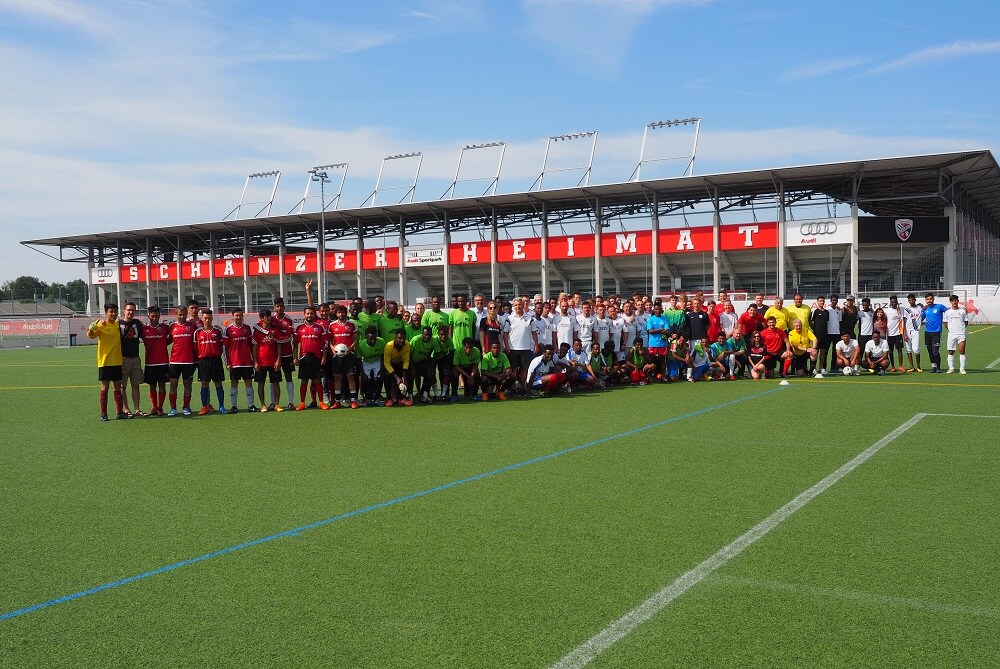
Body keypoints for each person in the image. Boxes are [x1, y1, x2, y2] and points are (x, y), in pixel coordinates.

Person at [87, 303, 126, 421]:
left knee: (117, 387)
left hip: (117, 361)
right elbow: (90, 336)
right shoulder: (100, 325)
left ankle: (119, 412)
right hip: (105, 361)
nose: (113, 314)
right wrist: (92, 328)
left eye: (115, 311)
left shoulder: (118, 325)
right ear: (106, 313)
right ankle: (103, 413)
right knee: (105, 387)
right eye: (111, 311)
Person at [294, 305, 329, 410]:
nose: (309, 315)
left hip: (316, 357)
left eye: (311, 313)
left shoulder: (320, 328)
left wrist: (324, 357)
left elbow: (325, 344)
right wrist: (295, 358)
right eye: (307, 313)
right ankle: (302, 403)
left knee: (317, 380)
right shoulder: (299, 328)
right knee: (304, 381)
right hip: (304, 357)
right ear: (304, 315)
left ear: (314, 315)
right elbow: (295, 345)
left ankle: (321, 402)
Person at [194, 308, 227, 415]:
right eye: (205, 318)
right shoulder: (197, 332)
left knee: (218, 383)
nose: (207, 320)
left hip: (216, 360)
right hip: (203, 361)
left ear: (212, 318)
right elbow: (195, 348)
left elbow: (222, 347)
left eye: (209, 318)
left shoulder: (218, 331)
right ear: (202, 319)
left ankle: (221, 406)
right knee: (204, 384)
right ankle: (205, 407)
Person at [223, 307, 256, 413]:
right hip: (234, 363)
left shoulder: (247, 328)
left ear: (242, 316)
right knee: (234, 384)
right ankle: (234, 406)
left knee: (249, 384)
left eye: (240, 315)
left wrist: (254, 360)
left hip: (247, 362)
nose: (238, 317)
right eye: (236, 315)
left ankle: (251, 405)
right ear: (232, 317)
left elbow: (251, 346)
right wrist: (228, 362)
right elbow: (225, 348)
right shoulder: (228, 329)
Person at [168, 304, 198, 416]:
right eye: (180, 315)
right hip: (174, 361)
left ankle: (186, 407)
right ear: (176, 314)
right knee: (173, 384)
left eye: (184, 314)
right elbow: (167, 341)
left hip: (188, 361)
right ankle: (173, 408)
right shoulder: (172, 327)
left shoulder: (192, 326)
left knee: (187, 385)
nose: (182, 317)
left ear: (187, 314)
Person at [141, 305, 171, 416]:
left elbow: (172, 337)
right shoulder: (143, 329)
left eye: (157, 316)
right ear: (148, 316)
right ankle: (154, 407)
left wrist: (163, 344)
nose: (155, 318)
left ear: (159, 316)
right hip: (150, 363)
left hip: (163, 362)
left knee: (162, 386)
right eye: (152, 316)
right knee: (152, 386)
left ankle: (160, 408)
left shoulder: (165, 327)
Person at [252, 309, 284, 412]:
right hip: (261, 362)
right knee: (261, 383)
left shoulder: (275, 330)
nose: (269, 318)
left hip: (274, 362)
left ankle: (277, 404)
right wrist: (255, 362)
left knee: (276, 383)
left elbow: (279, 345)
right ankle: (263, 405)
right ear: (261, 318)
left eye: (269, 315)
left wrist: (278, 360)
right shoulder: (257, 332)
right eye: (266, 316)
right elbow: (254, 347)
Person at [327, 304, 359, 409]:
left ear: (346, 313)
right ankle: (337, 401)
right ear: (336, 314)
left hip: (349, 355)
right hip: (337, 355)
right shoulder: (332, 325)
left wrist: (350, 348)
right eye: (339, 312)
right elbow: (329, 340)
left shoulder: (352, 324)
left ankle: (353, 401)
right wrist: (332, 348)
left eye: (343, 312)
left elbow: (356, 339)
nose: (341, 314)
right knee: (337, 378)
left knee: (351, 377)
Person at [118, 301, 145, 417]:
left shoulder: (137, 323)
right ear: (124, 311)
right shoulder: (118, 324)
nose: (130, 312)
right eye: (128, 310)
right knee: (122, 386)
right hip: (123, 358)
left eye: (133, 310)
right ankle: (126, 409)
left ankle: (137, 409)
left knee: (136, 384)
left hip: (135, 358)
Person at [504, 297, 534, 395]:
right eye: (516, 305)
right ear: (514, 306)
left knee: (524, 370)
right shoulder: (509, 318)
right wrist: (507, 345)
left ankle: (522, 387)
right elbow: (505, 333)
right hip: (513, 348)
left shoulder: (530, 318)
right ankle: (512, 388)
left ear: (523, 305)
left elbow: (534, 332)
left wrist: (536, 345)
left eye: (519, 305)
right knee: (513, 370)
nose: (518, 307)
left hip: (526, 348)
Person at [271, 296, 296, 410]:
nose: (279, 308)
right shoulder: (271, 319)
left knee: (288, 377)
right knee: (273, 379)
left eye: (281, 306)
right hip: (273, 355)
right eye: (277, 306)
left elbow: (290, 337)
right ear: (274, 307)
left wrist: (278, 340)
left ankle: (291, 402)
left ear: (284, 307)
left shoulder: (289, 320)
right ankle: (273, 403)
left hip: (287, 353)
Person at [356, 326, 386, 406]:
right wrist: (362, 373)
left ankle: (377, 399)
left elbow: (382, 356)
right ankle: (367, 399)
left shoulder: (381, 341)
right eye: (370, 339)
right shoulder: (361, 344)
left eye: (374, 338)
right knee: (365, 379)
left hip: (377, 361)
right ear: (366, 336)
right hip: (366, 361)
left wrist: (381, 370)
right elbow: (359, 359)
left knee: (379, 378)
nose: (372, 341)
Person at [383, 328, 413, 407]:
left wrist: (403, 376)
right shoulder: (389, 346)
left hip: (400, 364)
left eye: (403, 338)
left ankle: (402, 398)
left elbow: (406, 361)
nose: (401, 340)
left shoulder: (407, 345)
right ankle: (389, 398)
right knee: (386, 375)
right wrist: (397, 377)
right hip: (390, 364)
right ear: (395, 337)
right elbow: (386, 363)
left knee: (410, 374)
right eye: (399, 338)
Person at [409, 326, 438, 404]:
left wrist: (432, 367)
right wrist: (412, 368)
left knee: (430, 374)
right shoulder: (415, 340)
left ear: (431, 334)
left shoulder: (434, 341)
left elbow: (437, 353)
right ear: (422, 334)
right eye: (425, 334)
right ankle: (410, 395)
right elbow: (409, 354)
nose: (427, 336)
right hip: (413, 362)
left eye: (429, 335)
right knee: (411, 376)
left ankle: (424, 395)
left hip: (423, 361)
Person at [922, 293, 948, 373]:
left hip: (936, 332)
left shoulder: (940, 306)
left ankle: (938, 367)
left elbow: (949, 312)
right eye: (927, 299)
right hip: (927, 332)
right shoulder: (925, 309)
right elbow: (919, 318)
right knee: (930, 351)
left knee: (935, 350)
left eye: (930, 299)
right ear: (925, 300)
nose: (929, 301)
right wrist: (921, 310)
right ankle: (933, 367)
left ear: (933, 299)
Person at [944, 294, 969, 374]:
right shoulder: (947, 312)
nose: (954, 302)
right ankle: (951, 368)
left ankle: (962, 368)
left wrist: (961, 328)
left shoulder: (962, 311)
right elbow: (945, 323)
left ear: (958, 301)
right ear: (951, 302)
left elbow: (966, 321)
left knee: (962, 350)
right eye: (952, 301)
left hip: (961, 334)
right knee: (951, 351)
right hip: (951, 334)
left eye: (955, 300)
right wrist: (951, 329)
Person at [452, 336, 481, 401]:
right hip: (460, 367)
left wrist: (472, 376)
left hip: (470, 367)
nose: (468, 349)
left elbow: (475, 365)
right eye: (466, 347)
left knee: (477, 374)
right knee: (454, 373)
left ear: (473, 346)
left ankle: (474, 394)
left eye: (470, 347)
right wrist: (467, 376)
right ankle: (454, 394)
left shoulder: (477, 351)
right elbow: (456, 366)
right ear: (463, 346)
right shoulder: (458, 351)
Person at [884, 295, 907, 372]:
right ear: (890, 302)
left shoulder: (901, 309)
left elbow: (911, 309)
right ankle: (893, 366)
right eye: (892, 302)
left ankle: (900, 366)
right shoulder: (886, 311)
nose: (894, 303)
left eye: (895, 302)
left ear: (897, 302)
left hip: (898, 333)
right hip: (889, 334)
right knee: (890, 351)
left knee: (899, 350)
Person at [902, 293, 924, 372]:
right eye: (909, 300)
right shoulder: (906, 309)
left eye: (912, 299)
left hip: (915, 331)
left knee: (916, 349)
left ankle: (918, 366)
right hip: (908, 331)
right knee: (909, 350)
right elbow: (904, 322)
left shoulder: (919, 308)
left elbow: (926, 307)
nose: (911, 301)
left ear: (915, 299)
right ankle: (912, 367)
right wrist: (904, 334)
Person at [810, 295, 831, 374]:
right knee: (815, 352)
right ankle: (814, 368)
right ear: (817, 302)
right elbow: (811, 322)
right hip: (816, 336)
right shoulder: (815, 312)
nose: (822, 302)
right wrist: (815, 330)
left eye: (823, 301)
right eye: (820, 301)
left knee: (823, 353)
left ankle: (821, 368)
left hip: (824, 335)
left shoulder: (826, 312)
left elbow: (826, 323)